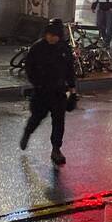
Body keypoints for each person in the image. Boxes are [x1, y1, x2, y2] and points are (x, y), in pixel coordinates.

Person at [19, 18, 77, 165]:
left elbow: (70, 69)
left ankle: (56, 149)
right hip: (42, 91)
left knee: (59, 122)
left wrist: (72, 88)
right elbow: (29, 67)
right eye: (49, 35)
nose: (52, 38)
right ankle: (27, 133)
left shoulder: (64, 49)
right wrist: (36, 83)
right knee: (37, 117)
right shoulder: (37, 48)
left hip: (58, 91)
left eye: (55, 35)